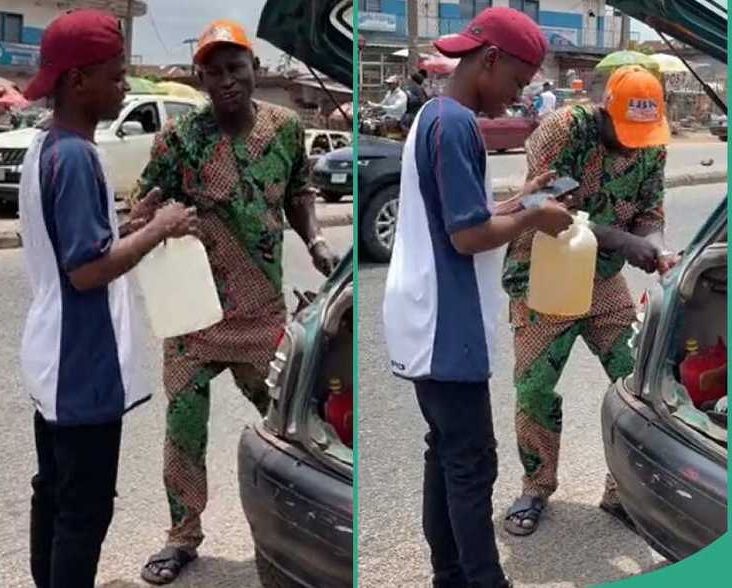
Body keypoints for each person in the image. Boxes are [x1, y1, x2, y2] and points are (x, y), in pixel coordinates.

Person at [133, 19, 339, 584]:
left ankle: (316, 522)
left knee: (297, 422)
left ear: (254, 69)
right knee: (184, 432)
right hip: (194, 317)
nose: (227, 80)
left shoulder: (286, 129)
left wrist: (316, 240)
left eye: (236, 68)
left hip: (263, 318)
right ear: (200, 78)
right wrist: (150, 222)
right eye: (214, 72)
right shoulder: (177, 141)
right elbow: (143, 210)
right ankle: (182, 535)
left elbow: (299, 191)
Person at [381, 9, 573, 588]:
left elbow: (466, 215)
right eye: (516, 83)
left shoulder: (435, 117)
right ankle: (482, 580)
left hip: (425, 316)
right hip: (445, 322)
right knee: (471, 463)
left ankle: (449, 575)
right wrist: (535, 218)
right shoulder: (456, 124)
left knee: (445, 452)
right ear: (489, 60)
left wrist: (521, 199)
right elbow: (467, 237)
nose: (515, 100)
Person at [15, 10, 198, 588]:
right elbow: (87, 271)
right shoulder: (73, 156)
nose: (124, 87)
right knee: (84, 510)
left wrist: (128, 222)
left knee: (55, 494)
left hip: (54, 356)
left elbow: (76, 241)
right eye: (116, 76)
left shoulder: (47, 145)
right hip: (81, 362)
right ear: (77, 81)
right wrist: (159, 228)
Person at [501, 65, 678, 536]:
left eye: (645, 133)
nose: (636, 143)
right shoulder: (562, 130)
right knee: (535, 389)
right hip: (545, 275)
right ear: (604, 112)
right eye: (626, 131)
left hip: (602, 284)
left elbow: (649, 214)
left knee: (637, 380)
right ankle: (536, 486)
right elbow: (543, 209)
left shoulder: (651, 143)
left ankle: (622, 490)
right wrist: (624, 242)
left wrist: (656, 248)